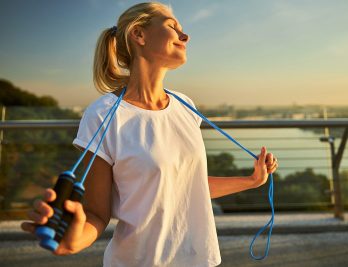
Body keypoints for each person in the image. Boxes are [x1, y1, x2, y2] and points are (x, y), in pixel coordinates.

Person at [21, 2, 278, 266]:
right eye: (172, 26)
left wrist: (252, 180)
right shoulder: (102, 115)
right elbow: (97, 214)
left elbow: (187, 186)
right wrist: (73, 240)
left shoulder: (185, 106)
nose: (185, 35)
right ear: (139, 34)